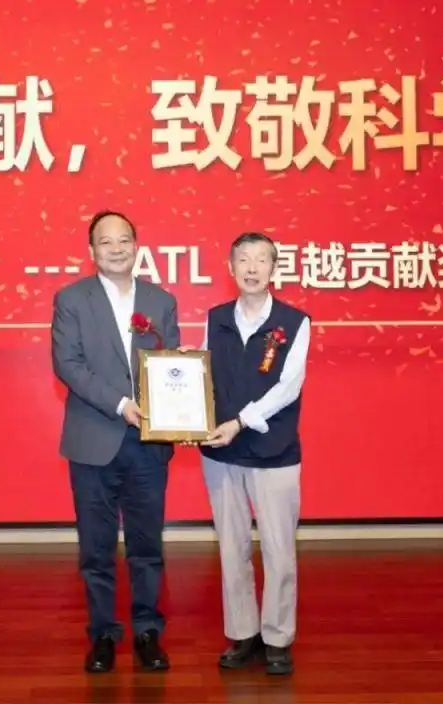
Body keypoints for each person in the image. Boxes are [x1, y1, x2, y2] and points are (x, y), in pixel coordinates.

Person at [50, 210, 181, 673]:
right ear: (92, 251)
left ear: (136, 246)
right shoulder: (71, 299)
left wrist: (181, 403)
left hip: (148, 442)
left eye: (124, 240)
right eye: (106, 242)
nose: (117, 248)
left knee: (147, 546)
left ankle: (148, 631)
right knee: (96, 548)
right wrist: (121, 403)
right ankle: (103, 635)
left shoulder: (161, 300)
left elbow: (171, 365)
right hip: (93, 440)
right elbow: (68, 365)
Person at [197, 232, 311, 676]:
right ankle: (243, 632)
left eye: (261, 260)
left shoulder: (295, 322)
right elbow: (203, 374)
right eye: (243, 259)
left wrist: (240, 421)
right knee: (232, 547)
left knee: (279, 550)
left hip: (273, 450)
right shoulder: (215, 318)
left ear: (273, 268)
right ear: (230, 267)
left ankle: (278, 636)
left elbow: (288, 387)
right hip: (220, 452)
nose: (251, 268)